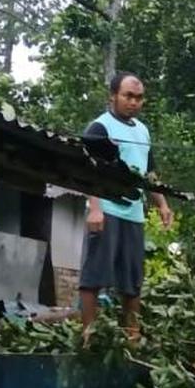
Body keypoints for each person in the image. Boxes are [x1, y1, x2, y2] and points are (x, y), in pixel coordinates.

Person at [78, 71, 173, 344]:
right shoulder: (100, 127)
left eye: (139, 98)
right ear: (113, 96)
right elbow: (87, 170)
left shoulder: (142, 130)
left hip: (133, 214)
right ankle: (88, 336)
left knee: (132, 281)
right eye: (128, 96)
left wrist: (162, 204)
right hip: (106, 211)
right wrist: (95, 208)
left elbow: (149, 172)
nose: (134, 102)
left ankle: (132, 338)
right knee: (94, 276)